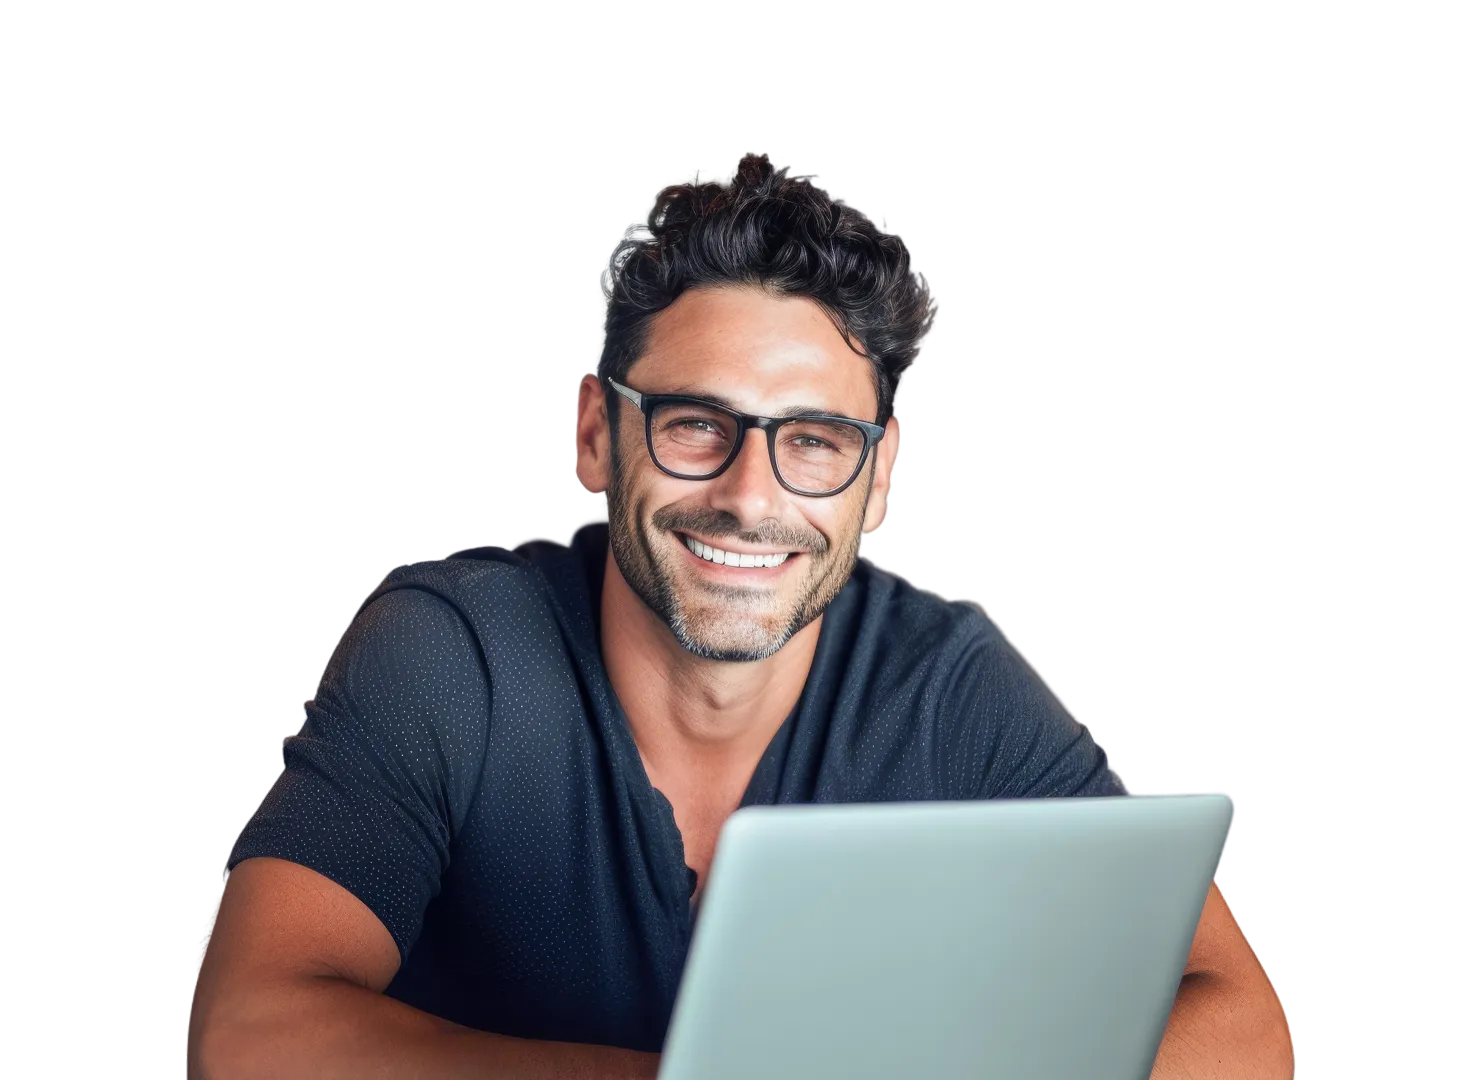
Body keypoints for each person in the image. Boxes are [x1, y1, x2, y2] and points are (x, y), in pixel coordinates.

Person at [187, 152, 1294, 1080]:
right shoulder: (451, 655)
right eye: (695, 423)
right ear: (593, 432)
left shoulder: (946, 686)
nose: (753, 496)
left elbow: (1240, 1021)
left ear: (880, 482)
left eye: (814, 440)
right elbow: (247, 1032)